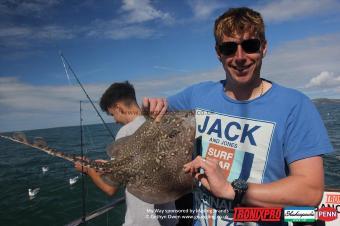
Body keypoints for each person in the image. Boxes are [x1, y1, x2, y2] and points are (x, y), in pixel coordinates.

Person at [143, 7, 333, 226]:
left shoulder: (296, 106)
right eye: (229, 48)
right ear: (218, 53)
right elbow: (153, 115)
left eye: (250, 46)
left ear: (264, 48)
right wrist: (149, 107)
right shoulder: (196, 95)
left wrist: (231, 190)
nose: (240, 57)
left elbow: (310, 191)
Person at [75, 81, 177, 226]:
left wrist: (87, 169)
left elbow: (110, 188)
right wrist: (111, 166)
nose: (115, 121)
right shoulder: (160, 124)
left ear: (119, 108)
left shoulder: (126, 133)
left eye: (112, 114)